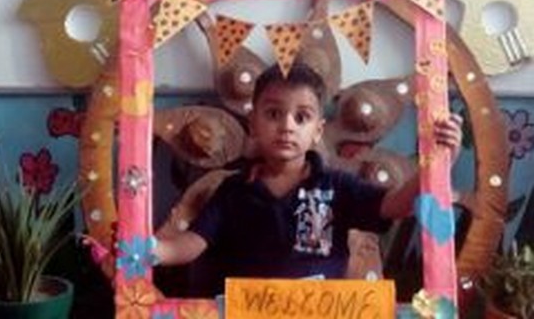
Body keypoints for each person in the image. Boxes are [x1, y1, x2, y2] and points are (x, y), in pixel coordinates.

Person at [154, 63, 463, 293]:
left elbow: (396, 206)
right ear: (253, 123)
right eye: (273, 114)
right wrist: (154, 251)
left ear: (317, 130)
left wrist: (439, 163)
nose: (287, 126)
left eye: (301, 117)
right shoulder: (233, 190)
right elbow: (192, 244)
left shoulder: (338, 186)